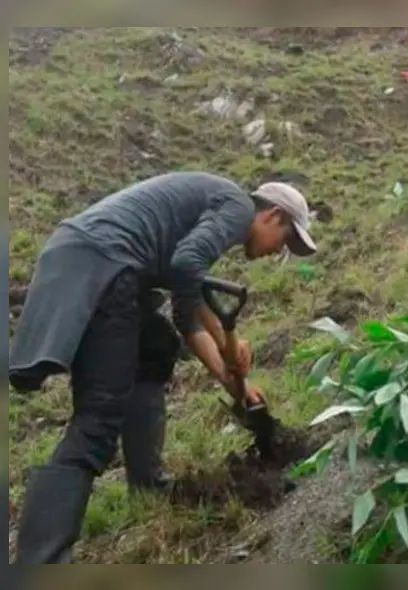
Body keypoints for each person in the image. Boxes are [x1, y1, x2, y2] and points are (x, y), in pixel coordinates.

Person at [9, 172, 318, 564]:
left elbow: (183, 296)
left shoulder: (216, 208)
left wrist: (232, 380)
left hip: (85, 256)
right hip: (103, 264)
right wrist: (225, 337)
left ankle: (147, 484)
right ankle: (42, 563)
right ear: (273, 215)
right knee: (99, 418)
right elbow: (187, 269)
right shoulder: (238, 208)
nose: (280, 252)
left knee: (154, 346)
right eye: (287, 240)